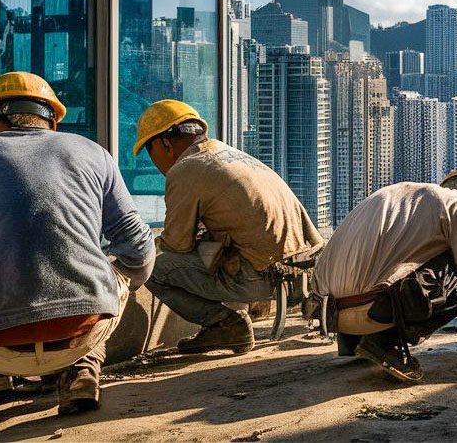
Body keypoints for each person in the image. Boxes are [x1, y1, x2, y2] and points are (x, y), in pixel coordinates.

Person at [0, 72, 154, 421]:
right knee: (102, 278)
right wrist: (116, 281)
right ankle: (82, 369)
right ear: (52, 121)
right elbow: (139, 247)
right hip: (87, 330)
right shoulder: (94, 153)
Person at [134, 100, 324, 354]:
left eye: (149, 150)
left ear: (164, 143)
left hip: (265, 278)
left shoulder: (186, 169)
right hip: (304, 273)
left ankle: (226, 326)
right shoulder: (227, 154)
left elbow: (176, 245)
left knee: (155, 271)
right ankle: (236, 320)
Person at [312, 170, 457, 382]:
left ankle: (355, 342)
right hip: (370, 312)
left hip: (329, 314)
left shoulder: (400, 194)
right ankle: (382, 341)